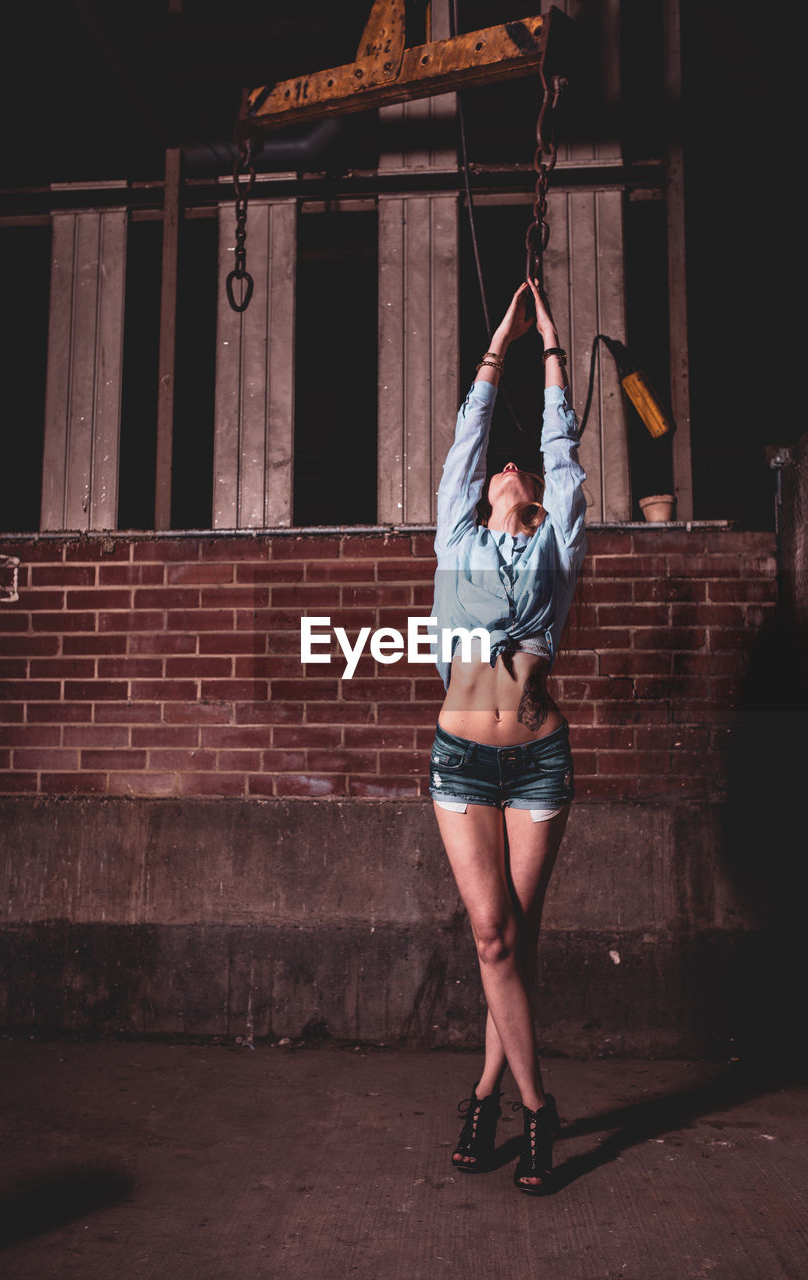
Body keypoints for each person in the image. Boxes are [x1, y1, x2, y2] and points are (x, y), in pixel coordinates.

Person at [429, 277, 587, 1194]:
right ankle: (538, 1110)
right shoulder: (455, 537)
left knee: (510, 947)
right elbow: (467, 437)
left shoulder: (553, 546)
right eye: (497, 467)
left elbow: (561, 457)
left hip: (536, 760)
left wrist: (555, 352)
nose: (502, 466)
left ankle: (488, 1092)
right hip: (459, 757)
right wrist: (501, 342)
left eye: (515, 468)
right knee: (491, 934)